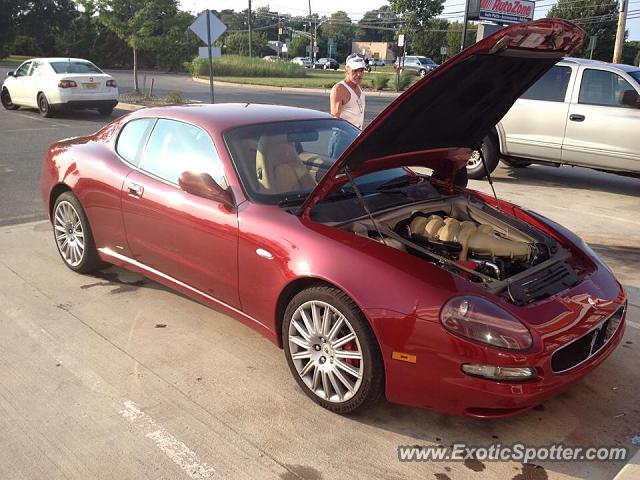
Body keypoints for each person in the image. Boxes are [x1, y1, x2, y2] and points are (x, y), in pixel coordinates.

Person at [328, 53, 367, 158]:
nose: (359, 75)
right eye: (355, 71)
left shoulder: (358, 87)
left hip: (357, 136)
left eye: (361, 71)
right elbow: (335, 119)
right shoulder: (339, 89)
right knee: (336, 171)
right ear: (347, 70)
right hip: (342, 139)